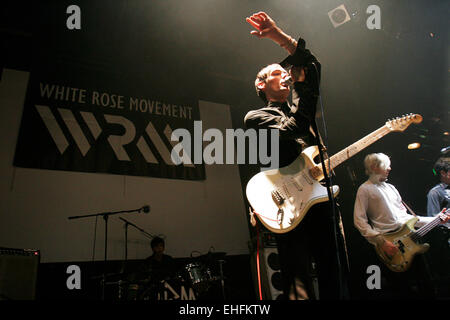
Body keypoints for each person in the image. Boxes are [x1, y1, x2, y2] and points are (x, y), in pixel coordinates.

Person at [244, 11, 348, 300]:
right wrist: (302, 87)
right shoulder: (257, 116)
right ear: (261, 85)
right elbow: (295, 126)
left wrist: (280, 38)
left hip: (322, 195)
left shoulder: (298, 103)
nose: (286, 75)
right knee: (298, 280)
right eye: (277, 72)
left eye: (286, 71)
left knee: (334, 269)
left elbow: (312, 66)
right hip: (288, 202)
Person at [353, 153, 450, 298]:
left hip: (410, 239)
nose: (390, 168)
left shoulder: (391, 188)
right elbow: (359, 220)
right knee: (402, 290)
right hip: (390, 244)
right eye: (386, 165)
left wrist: (435, 219)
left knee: (426, 284)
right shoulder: (364, 189)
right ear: (374, 167)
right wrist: (380, 241)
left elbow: (408, 218)